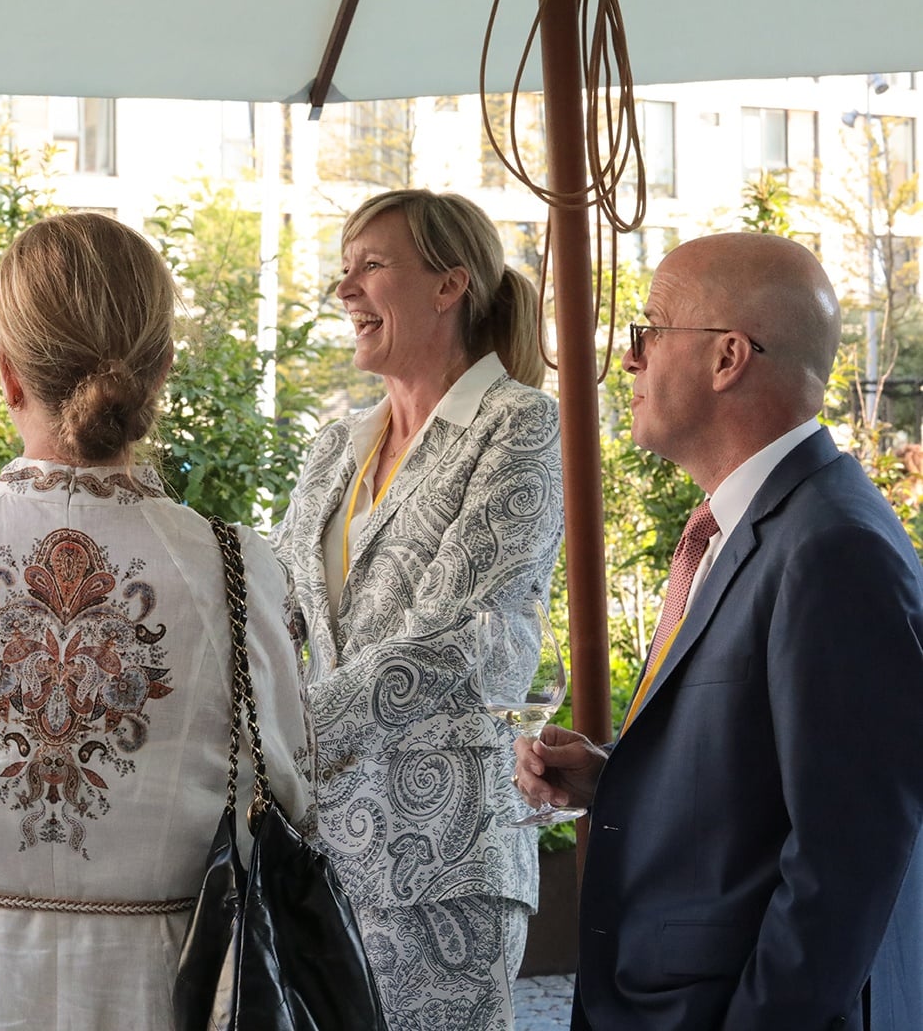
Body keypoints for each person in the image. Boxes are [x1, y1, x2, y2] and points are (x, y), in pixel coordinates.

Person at [0, 211, 314, 1029]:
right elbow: (287, 788)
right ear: (162, 371)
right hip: (160, 986)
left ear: (8, 375)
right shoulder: (234, 566)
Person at [514, 232, 923, 1031]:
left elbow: (846, 865)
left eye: (647, 331)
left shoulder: (834, 549)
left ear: (727, 357)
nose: (627, 359)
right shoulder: (755, 526)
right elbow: (768, 783)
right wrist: (615, 779)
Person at [270, 188, 564, 1029]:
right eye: (344, 269)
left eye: (371, 266)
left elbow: (455, 641)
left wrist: (279, 738)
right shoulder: (338, 445)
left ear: (448, 285)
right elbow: (276, 609)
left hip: (444, 861)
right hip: (318, 859)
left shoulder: (519, 425)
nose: (345, 289)